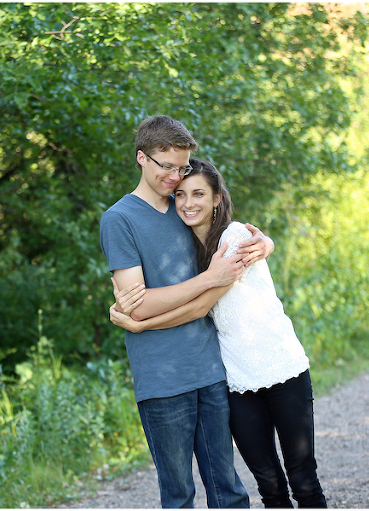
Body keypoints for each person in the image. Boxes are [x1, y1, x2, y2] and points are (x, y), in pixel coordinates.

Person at [110, 157, 327, 508]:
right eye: (180, 195)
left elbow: (198, 307)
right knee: (269, 484)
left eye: (198, 194)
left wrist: (140, 323)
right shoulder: (190, 254)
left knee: (303, 478)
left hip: (283, 368)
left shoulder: (236, 238)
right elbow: (180, 297)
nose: (188, 202)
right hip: (238, 381)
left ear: (216, 198)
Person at [99, 115, 274, 508]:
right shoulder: (119, 219)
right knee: (178, 494)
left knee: (226, 489)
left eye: (181, 168)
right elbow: (138, 305)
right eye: (167, 166)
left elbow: (235, 235)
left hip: (210, 369)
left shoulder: (186, 209)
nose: (175, 177)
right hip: (161, 378)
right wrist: (208, 279)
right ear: (141, 158)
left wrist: (266, 244)